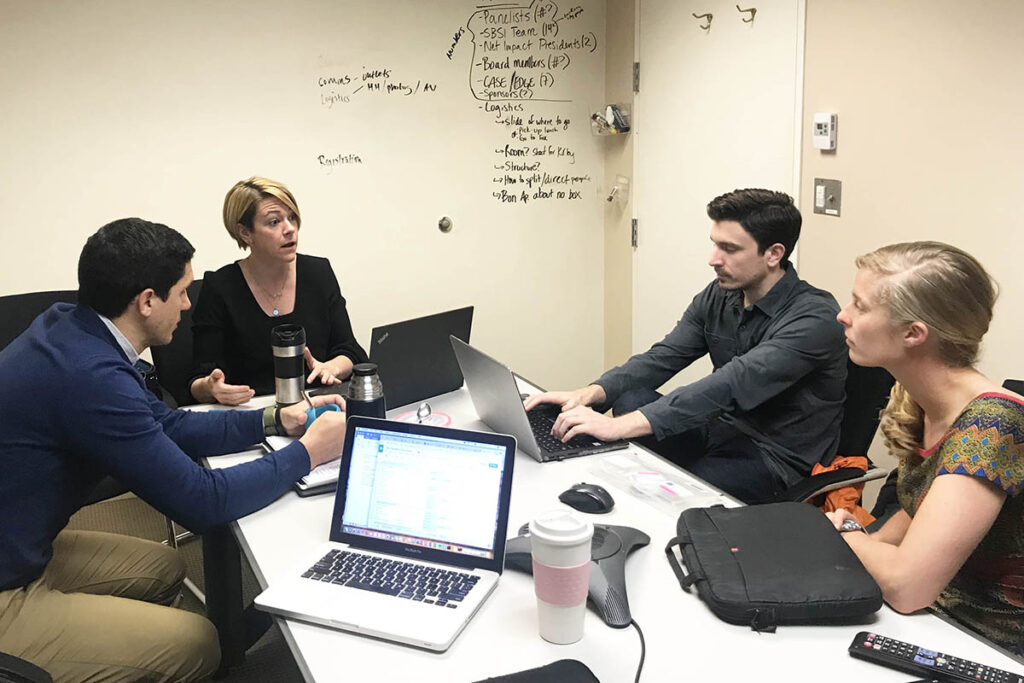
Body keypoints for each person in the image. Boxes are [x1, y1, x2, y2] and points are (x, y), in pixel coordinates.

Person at [0, 218, 348, 681]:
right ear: (147, 301)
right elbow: (204, 501)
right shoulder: (90, 376)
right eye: (183, 291)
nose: (188, 305)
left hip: (22, 540)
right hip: (9, 582)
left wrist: (275, 418)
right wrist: (308, 452)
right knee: (199, 643)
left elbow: (168, 423)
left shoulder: (74, 329)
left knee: (164, 567)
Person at [525, 188, 847, 503]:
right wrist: (589, 393)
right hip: (721, 429)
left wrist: (617, 426)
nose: (713, 259)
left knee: (683, 493)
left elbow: (731, 384)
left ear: (774, 254)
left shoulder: (814, 317)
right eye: (714, 245)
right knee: (632, 399)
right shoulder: (721, 294)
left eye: (729, 249)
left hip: (774, 456)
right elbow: (663, 357)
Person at [825, 241, 1022, 655]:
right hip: (940, 626)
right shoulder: (925, 405)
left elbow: (907, 587)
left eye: (860, 306)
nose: (843, 314)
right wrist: (855, 538)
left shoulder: (992, 426)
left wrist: (845, 534)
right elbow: (907, 528)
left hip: (990, 647)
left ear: (914, 334)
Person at [189, 176, 367, 405]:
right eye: (274, 222)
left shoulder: (318, 273)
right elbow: (197, 380)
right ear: (245, 233)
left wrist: (330, 368)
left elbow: (349, 350)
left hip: (317, 408)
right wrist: (212, 388)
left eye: (292, 217)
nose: (290, 229)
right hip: (255, 417)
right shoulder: (220, 287)